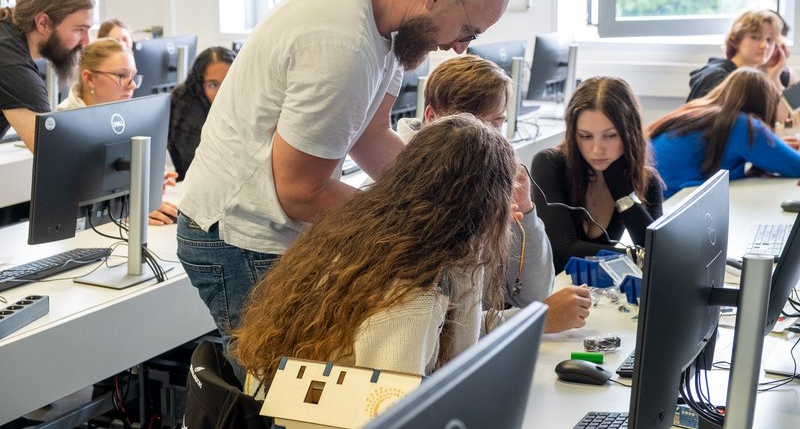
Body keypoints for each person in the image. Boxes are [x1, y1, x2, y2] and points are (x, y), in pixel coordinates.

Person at [176, 0, 512, 362]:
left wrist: (449, 198)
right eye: (467, 30)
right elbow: (299, 192)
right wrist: (419, 225)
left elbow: (371, 137)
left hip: (278, 222)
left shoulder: (388, 25)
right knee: (288, 401)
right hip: (241, 234)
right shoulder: (342, 43)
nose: (460, 49)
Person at [232, 114, 518, 395]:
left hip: (293, 405)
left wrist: (472, 261)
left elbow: (457, 339)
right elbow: (389, 413)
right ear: (485, 209)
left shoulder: (367, 234)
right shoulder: (410, 294)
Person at [396, 55, 591, 333]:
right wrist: (537, 321)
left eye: (497, 124)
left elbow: (533, 295)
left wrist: (526, 213)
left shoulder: (484, 177)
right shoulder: (399, 189)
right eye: (472, 124)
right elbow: (434, 334)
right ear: (431, 117)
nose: (491, 138)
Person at [531, 77, 663, 273]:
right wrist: (636, 256)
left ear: (629, 133)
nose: (597, 150)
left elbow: (656, 253)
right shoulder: (550, 164)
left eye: (610, 136)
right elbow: (563, 251)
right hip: (549, 290)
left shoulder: (647, 181)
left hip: (592, 290)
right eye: (585, 136)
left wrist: (620, 187)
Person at [57, 38, 179, 225]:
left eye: (133, 76)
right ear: (89, 78)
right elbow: (67, 201)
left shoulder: (131, 115)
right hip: (81, 232)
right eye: (122, 75)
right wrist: (128, 212)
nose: (132, 85)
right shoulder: (65, 125)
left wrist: (150, 179)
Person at [649, 67, 800, 198]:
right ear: (765, 103)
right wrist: (775, 150)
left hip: (647, 195)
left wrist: (775, 149)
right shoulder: (743, 125)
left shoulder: (698, 110)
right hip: (668, 202)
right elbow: (796, 166)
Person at [0, 0, 94, 150]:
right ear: (43, 23)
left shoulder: (7, 37)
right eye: (79, 29)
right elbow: (53, 150)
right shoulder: (10, 62)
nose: (86, 41)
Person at [687, 9, 787, 101]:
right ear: (736, 39)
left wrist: (775, 79)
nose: (764, 45)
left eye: (769, 40)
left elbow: (788, 118)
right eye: (755, 37)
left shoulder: (757, 79)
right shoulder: (716, 77)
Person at [168, 46, 235, 180]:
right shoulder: (189, 113)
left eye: (228, 82)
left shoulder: (241, 104)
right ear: (199, 84)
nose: (222, 92)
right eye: (213, 85)